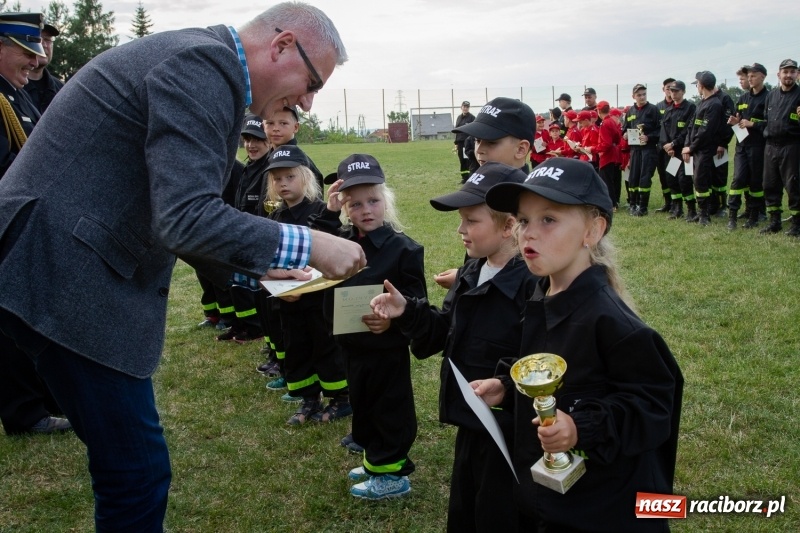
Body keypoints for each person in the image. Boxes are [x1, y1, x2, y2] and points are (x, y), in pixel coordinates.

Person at [0, 3, 365, 530]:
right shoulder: (204, 64)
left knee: (128, 464)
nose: (307, 102)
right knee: (135, 470)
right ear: (282, 44)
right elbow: (186, 216)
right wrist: (306, 243)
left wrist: (254, 274)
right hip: (63, 271)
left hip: (56, 264)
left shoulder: (202, 61)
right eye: (311, 82)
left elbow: (175, 210)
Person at [472, 157, 683, 533]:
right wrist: (506, 385)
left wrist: (580, 427)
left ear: (593, 229)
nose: (528, 234)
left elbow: (652, 406)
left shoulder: (612, 322)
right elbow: (540, 360)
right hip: (547, 498)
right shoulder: (543, 291)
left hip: (598, 508)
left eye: (548, 220)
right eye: (523, 221)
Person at [371, 162, 535, 531]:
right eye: (461, 219)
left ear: (509, 226)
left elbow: (537, 360)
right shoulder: (474, 270)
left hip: (508, 431)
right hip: (471, 421)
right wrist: (407, 311)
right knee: (466, 510)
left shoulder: (532, 285)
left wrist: (506, 388)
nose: (461, 229)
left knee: (500, 513)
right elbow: (444, 331)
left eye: (472, 221)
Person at [311, 154, 426, 500]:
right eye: (355, 203)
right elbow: (313, 248)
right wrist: (329, 213)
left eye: (373, 200)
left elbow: (415, 300)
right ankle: (374, 458)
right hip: (351, 344)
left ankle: (392, 473)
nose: (366, 210)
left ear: (385, 200)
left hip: (386, 348)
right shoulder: (340, 240)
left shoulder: (404, 249)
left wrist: (391, 320)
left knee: (389, 407)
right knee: (363, 404)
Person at [0, 12, 72, 437]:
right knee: (10, 327)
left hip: (26, 226)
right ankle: (24, 413)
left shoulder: (17, 93)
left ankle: (42, 399)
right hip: (9, 230)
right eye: (25, 52)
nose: (35, 60)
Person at [263, 145, 350, 423]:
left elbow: (326, 244)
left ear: (305, 178)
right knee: (297, 348)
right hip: (287, 301)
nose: (283, 183)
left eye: (290, 177)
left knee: (325, 348)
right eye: (277, 179)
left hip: (318, 302)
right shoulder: (275, 218)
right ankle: (309, 399)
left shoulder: (319, 210)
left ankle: (341, 398)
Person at [436, 96, 535, 289]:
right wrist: (466, 276)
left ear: (521, 149)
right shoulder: (480, 187)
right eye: (477, 140)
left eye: (491, 142)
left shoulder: (532, 204)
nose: (478, 150)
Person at [215, 113, 272, 344]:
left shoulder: (270, 169)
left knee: (253, 290)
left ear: (268, 140)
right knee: (237, 285)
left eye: (257, 139)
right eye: (247, 139)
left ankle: (254, 328)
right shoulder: (249, 167)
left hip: (257, 236)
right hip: (242, 235)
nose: (250, 144)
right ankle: (240, 324)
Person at [755, 59, 800, 236]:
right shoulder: (771, 96)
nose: (788, 75)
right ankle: (774, 221)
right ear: (778, 74)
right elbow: (766, 119)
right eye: (785, 71)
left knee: (794, 185)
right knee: (769, 184)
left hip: (792, 146)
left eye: (792, 71)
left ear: (797, 74)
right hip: (771, 146)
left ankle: (797, 224)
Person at [726, 63, 769, 230]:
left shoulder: (769, 97)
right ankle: (732, 217)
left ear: (763, 77)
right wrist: (735, 123)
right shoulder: (743, 99)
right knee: (737, 179)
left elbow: (771, 123)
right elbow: (738, 121)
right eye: (748, 76)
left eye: (753, 76)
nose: (749, 79)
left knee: (755, 183)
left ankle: (754, 216)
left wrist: (753, 124)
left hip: (758, 147)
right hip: (741, 147)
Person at [682, 71, 725, 226]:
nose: (697, 87)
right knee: (697, 181)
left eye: (697, 84)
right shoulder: (702, 103)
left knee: (701, 182)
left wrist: (691, 147)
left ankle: (704, 215)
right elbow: (692, 127)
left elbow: (706, 132)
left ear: (701, 85)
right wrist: (687, 145)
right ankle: (702, 213)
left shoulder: (714, 104)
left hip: (705, 150)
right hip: (696, 149)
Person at [264, 104, 324, 193]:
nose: (276, 128)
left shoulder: (304, 165)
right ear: (263, 127)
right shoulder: (262, 161)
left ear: (295, 127)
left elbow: (313, 203)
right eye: (270, 123)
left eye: (283, 123)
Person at [659, 80, 697, 221]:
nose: (673, 93)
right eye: (671, 91)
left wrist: (674, 144)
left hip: (683, 152)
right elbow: (664, 130)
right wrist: (667, 145)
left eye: (676, 91)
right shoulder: (669, 110)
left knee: (684, 180)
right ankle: (677, 208)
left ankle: (692, 210)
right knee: (672, 180)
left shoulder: (690, 108)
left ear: (683, 92)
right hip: (671, 153)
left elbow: (689, 130)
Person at [624, 83, 660, 216]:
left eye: (644, 94)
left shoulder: (653, 109)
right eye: (639, 95)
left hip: (648, 150)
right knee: (633, 178)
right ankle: (633, 204)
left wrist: (649, 137)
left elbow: (660, 130)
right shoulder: (630, 111)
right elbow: (625, 128)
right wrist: (625, 134)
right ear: (633, 96)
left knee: (644, 178)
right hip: (635, 150)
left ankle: (643, 207)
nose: (642, 97)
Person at [23, 21, 63, 114]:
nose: (44, 45)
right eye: (39, 39)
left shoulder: (61, 90)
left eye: (48, 40)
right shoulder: (11, 85)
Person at [654, 78, 676, 213]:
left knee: (673, 175)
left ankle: (676, 204)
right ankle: (667, 202)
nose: (670, 90)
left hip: (674, 148)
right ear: (663, 89)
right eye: (668, 87)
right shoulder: (658, 107)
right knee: (663, 176)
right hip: (660, 148)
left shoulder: (679, 106)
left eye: (673, 88)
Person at [595, 104, 622, 209]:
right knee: (611, 180)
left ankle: (611, 204)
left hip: (607, 155)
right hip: (613, 154)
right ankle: (614, 202)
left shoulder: (605, 123)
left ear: (599, 111)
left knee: (606, 181)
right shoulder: (612, 121)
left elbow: (606, 143)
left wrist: (594, 149)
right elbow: (617, 139)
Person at [454, 100, 475, 182]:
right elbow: (456, 131)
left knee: (468, 160)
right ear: (461, 107)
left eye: (467, 107)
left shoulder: (472, 118)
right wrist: (455, 143)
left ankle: (470, 177)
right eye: (464, 106)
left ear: (468, 108)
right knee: (462, 160)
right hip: (460, 142)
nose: (465, 108)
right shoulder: (459, 118)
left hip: (467, 143)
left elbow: (474, 131)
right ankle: (464, 177)